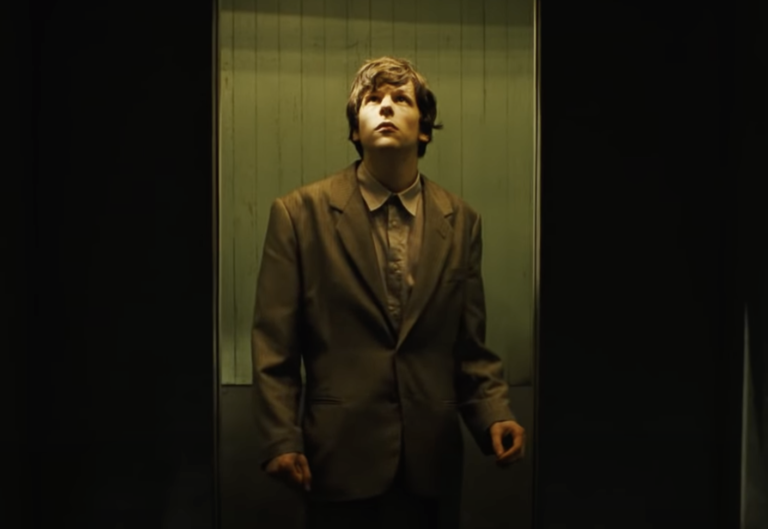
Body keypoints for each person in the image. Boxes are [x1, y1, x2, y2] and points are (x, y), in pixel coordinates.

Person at [251, 56, 526, 529]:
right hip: (337, 458)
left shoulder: (461, 221)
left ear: (425, 130)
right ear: (354, 130)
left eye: (401, 99)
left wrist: (493, 414)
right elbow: (274, 345)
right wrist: (281, 438)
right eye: (371, 99)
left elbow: (469, 346)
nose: (385, 107)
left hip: (432, 464)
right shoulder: (299, 215)